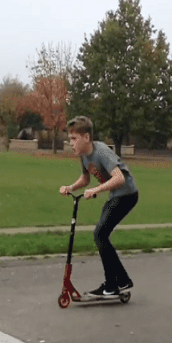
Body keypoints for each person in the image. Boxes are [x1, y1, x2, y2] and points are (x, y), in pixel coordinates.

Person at [59, 116, 138, 296]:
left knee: (100, 234)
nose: (71, 143)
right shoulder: (84, 155)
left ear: (86, 137)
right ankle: (117, 281)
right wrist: (70, 187)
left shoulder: (101, 152)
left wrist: (97, 189)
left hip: (127, 194)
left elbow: (120, 178)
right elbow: (85, 179)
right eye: (70, 139)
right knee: (101, 235)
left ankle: (116, 282)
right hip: (117, 195)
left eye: (74, 138)